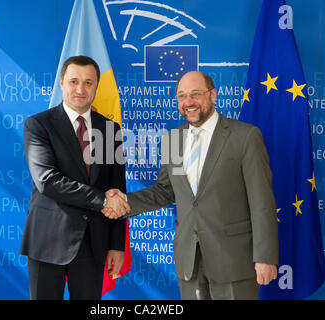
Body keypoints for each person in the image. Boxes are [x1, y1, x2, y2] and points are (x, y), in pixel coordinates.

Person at [103, 71, 279, 300]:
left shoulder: (244, 137)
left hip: (234, 261)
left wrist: (265, 257)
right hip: (190, 262)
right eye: (182, 96)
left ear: (213, 95)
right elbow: (164, 191)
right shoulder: (173, 140)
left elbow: (262, 201)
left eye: (195, 94)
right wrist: (125, 201)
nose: (188, 102)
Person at [20, 55, 130, 300]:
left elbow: (117, 189)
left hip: (94, 243)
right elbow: (47, 180)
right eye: (73, 81)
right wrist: (102, 200)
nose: (80, 89)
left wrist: (116, 244)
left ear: (96, 86)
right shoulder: (38, 124)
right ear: (61, 82)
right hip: (47, 241)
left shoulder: (111, 130)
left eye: (88, 82)